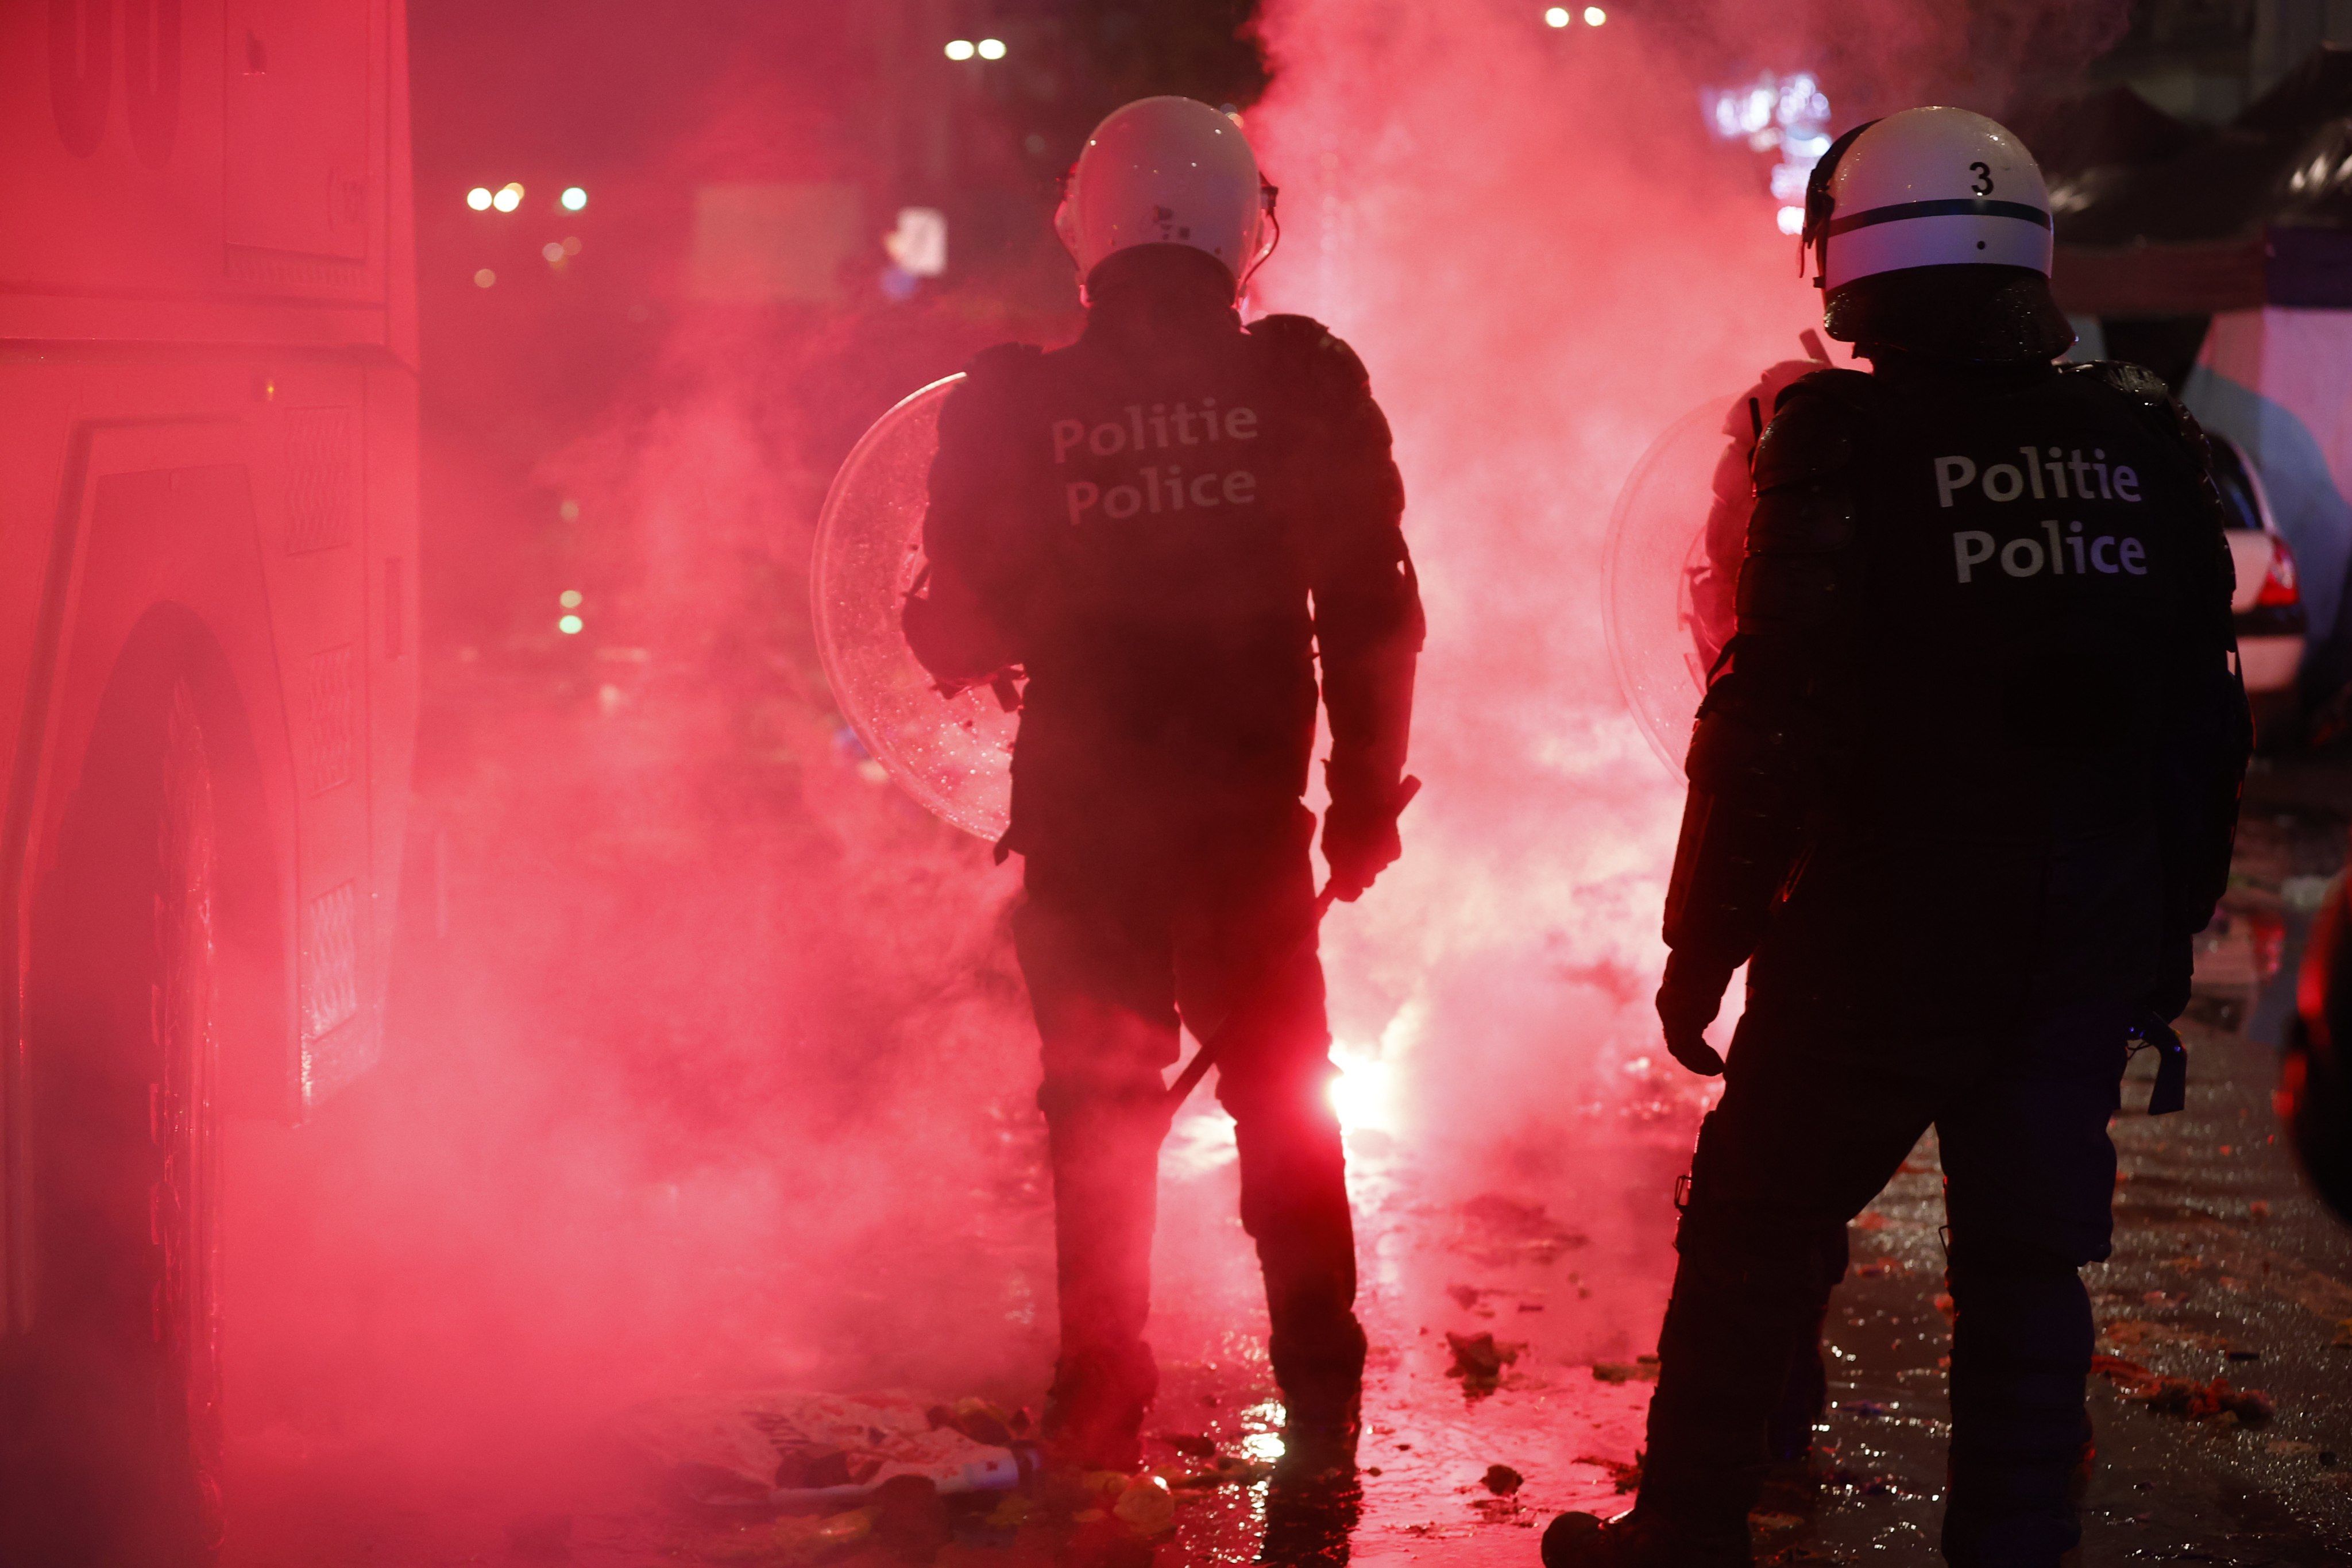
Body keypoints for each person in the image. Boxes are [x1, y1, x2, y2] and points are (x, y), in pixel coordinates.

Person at [1546, 107, 2251, 1568]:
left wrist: (1702, 944)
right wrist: (2161, 939)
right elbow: (2202, 719)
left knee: (1751, 1232)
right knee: (2026, 1265)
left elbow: (1765, 718)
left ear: (1849, 263)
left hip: (1877, 932)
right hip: (2076, 938)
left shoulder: (1835, 439)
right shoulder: (2143, 438)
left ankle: (1679, 1534)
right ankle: (2011, 1546)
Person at [902, 96, 1423, 1479]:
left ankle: (1096, 1387)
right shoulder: (1303, 384)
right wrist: (1365, 798)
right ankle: (1321, 1376)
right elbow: (1372, 614)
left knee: (1097, 1103)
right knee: (1284, 1098)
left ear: (1089, 228)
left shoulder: (1012, 403)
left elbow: (953, 628)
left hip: (1084, 831)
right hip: (1252, 826)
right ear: (1242, 232)